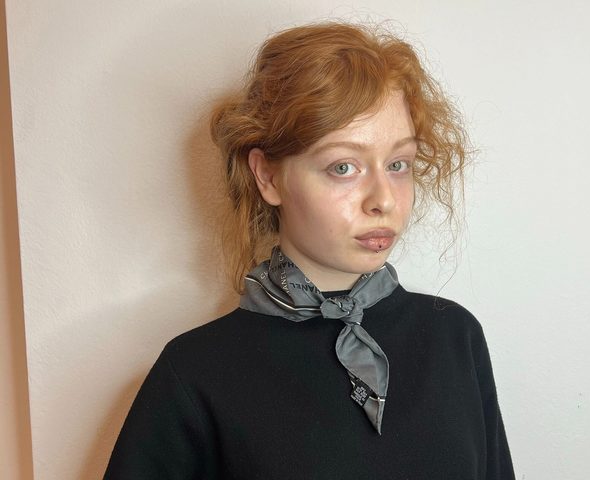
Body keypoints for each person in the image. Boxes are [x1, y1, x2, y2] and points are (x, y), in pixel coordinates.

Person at [104, 21, 516, 479]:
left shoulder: (455, 338)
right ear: (268, 176)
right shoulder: (195, 374)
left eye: (398, 164)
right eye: (343, 167)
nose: (383, 199)